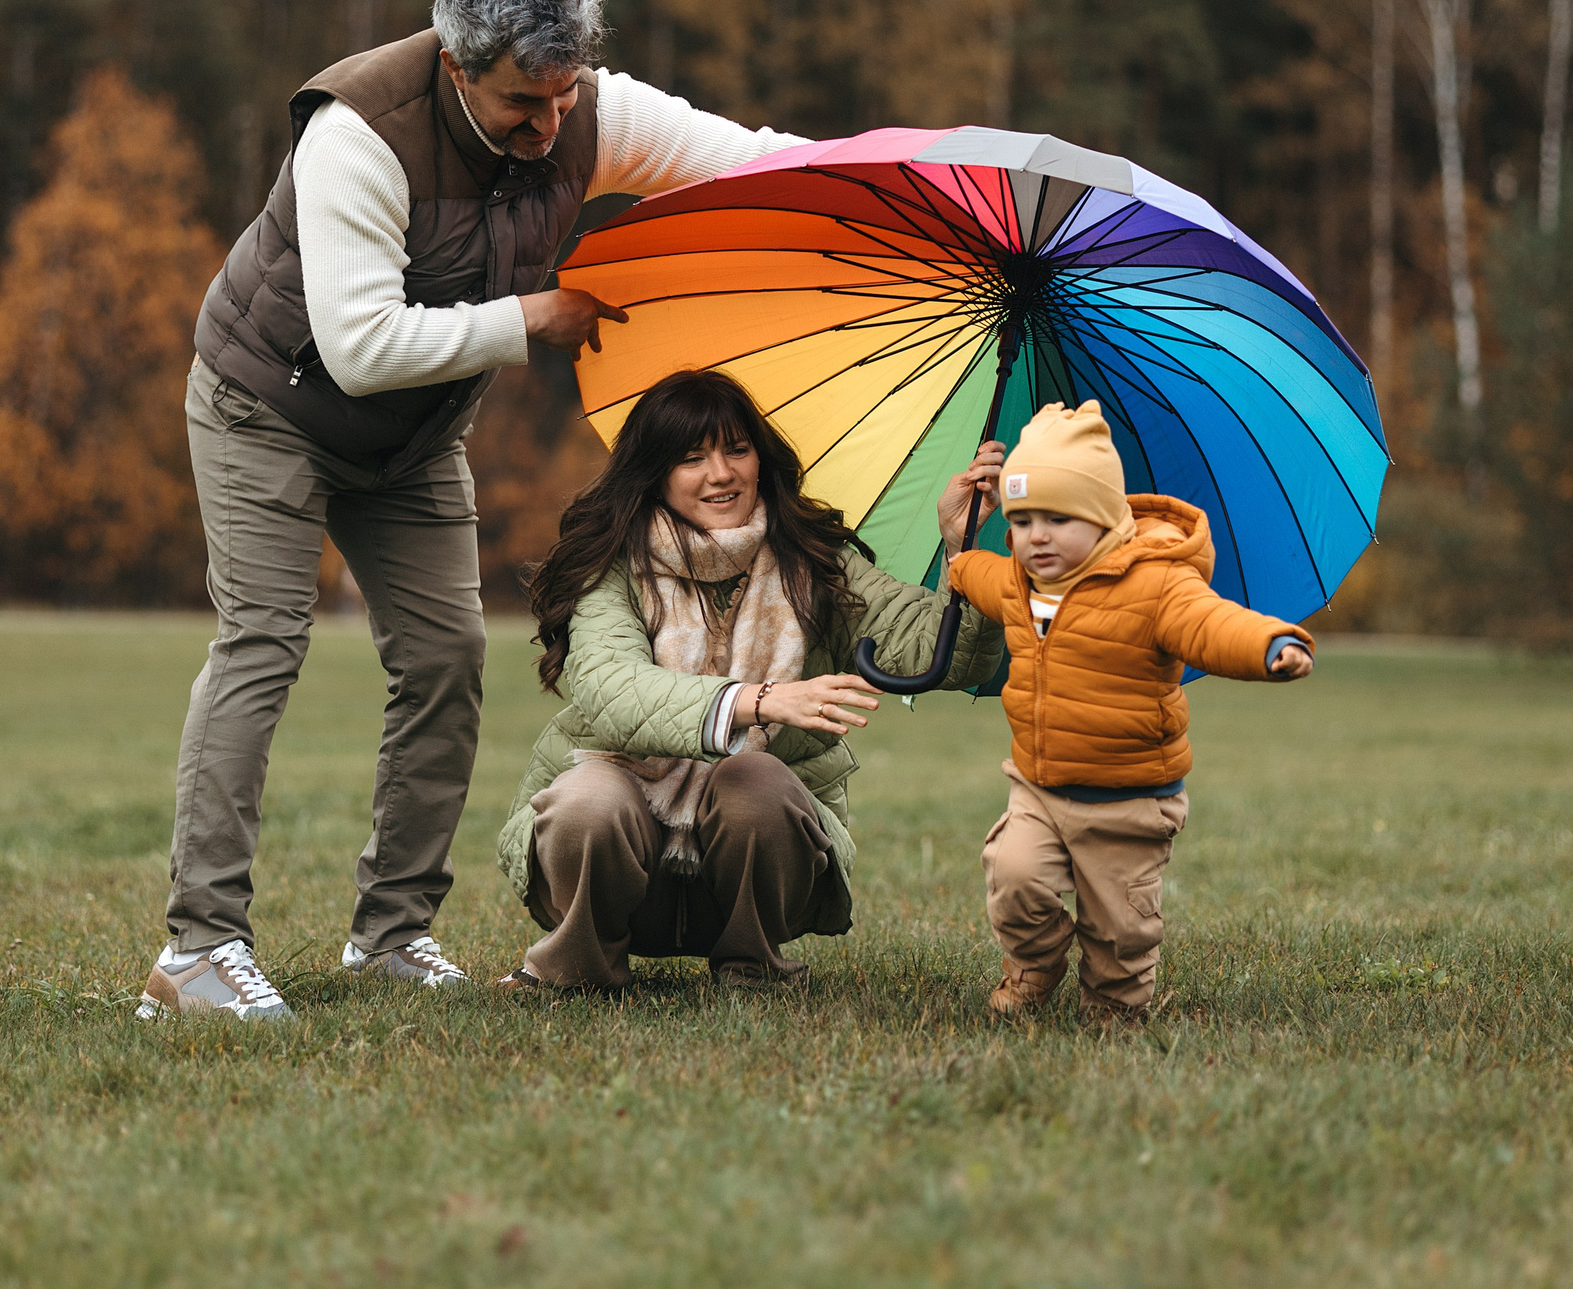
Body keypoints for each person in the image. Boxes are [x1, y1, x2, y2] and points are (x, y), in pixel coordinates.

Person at [141, 0, 806, 1024]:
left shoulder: (585, 110)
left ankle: (391, 934)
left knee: (447, 658)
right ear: (456, 66)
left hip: (407, 440)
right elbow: (358, 344)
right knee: (262, 642)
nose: (548, 129)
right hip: (271, 404)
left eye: (563, 97)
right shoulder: (360, 135)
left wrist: (889, 187)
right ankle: (199, 949)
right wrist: (531, 319)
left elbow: (749, 158)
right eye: (520, 105)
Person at [492, 370, 1004, 992]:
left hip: (751, 879)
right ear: (653, 471)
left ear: (761, 458)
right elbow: (610, 691)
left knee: (756, 778)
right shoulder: (612, 565)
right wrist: (758, 702)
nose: (721, 473)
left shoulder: (810, 558)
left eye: (737, 449)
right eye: (691, 457)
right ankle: (578, 968)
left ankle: (752, 964)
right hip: (616, 871)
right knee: (589, 799)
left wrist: (963, 554)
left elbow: (941, 657)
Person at [945, 400, 1315, 1025]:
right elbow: (976, 574)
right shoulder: (1018, 580)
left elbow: (1212, 624)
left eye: (1058, 518)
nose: (1037, 535)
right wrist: (958, 556)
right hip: (1039, 785)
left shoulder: (1155, 584)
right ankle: (1036, 963)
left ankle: (1114, 1007)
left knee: (1121, 929)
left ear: (1104, 517)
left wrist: (1269, 644)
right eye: (1023, 518)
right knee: (1013, 879)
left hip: (1130, 799)